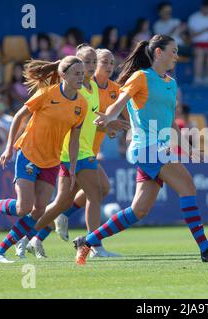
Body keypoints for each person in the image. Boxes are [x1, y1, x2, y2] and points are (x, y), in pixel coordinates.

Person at [75, 34, 208, 265]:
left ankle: (87, 241)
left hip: (158, 147)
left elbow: (169, 123)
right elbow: (121, 100)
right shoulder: (141, 77)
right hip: (147, 147)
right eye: (174, 51)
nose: (177, 56)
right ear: (158, 52)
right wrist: (109, 116)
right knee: (187, 186)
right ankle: (205, 250)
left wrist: (188, 148)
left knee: (138, 210)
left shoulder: (171, 83)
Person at [0, 55, 89, 263]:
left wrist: (72, 166)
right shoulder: (47, 93)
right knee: (23, 208)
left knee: (39, 209)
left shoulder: (82, 104)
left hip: (52, 161)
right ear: (63, 75)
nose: (81, 77)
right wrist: (8, 147)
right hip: (29, 154)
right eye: (76, 73)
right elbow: (19, 116)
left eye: (82, 73)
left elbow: (74, 139)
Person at [16, 45, 130, 259]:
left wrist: (108, 127)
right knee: (95, 194)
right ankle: (94, 246)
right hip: (72, 152)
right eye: (88, 62)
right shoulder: (72, 89)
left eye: (93, 62)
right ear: (76, 63)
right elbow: (70, 123)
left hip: (86, 151)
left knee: (65, 201)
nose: (92, 66)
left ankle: (31, 236)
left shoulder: (92, 89)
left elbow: (89, 121)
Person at [188, 0, 208, 85]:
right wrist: (205, 30)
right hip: (196, 45)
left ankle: (207, 77)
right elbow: (191, 35)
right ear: (203, 8)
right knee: (200, 52)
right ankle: (198, 78)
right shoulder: (193, 18)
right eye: (207, 9)